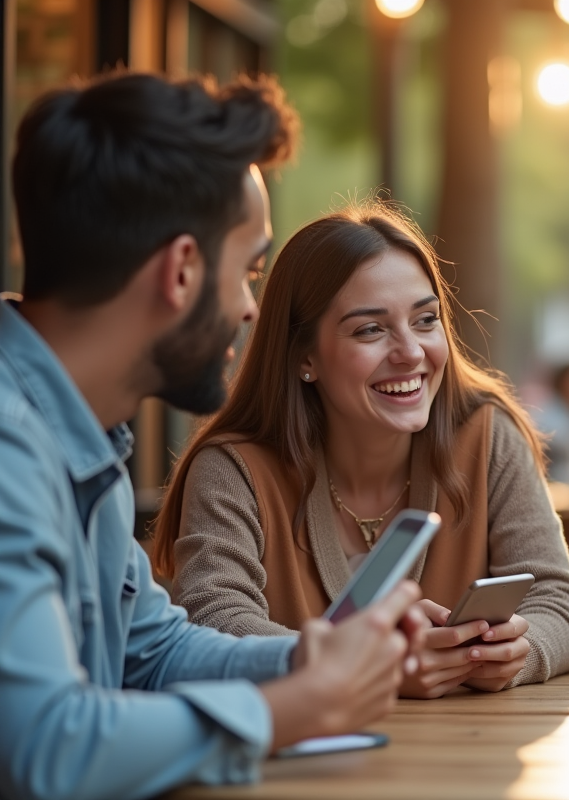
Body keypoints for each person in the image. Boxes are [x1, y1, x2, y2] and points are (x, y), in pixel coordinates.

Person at [0, 73, 425, 800]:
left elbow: (153, 651)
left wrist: (311, 661)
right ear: (183, 269)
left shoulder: (78, 432)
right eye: (249, 271)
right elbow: (46, 747)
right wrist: (298, 706)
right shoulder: (10, 445)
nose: (252, 309)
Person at [153, 201, 569, 698]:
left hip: (468, 762)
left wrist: (516, 654)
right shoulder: (234, 469)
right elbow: (213, 625)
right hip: (302, 766)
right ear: (304, 357)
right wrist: (374, 665)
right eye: (370, 329)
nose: (411, 352)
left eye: (426, 320)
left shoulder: (487, 435)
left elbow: (558, 604)